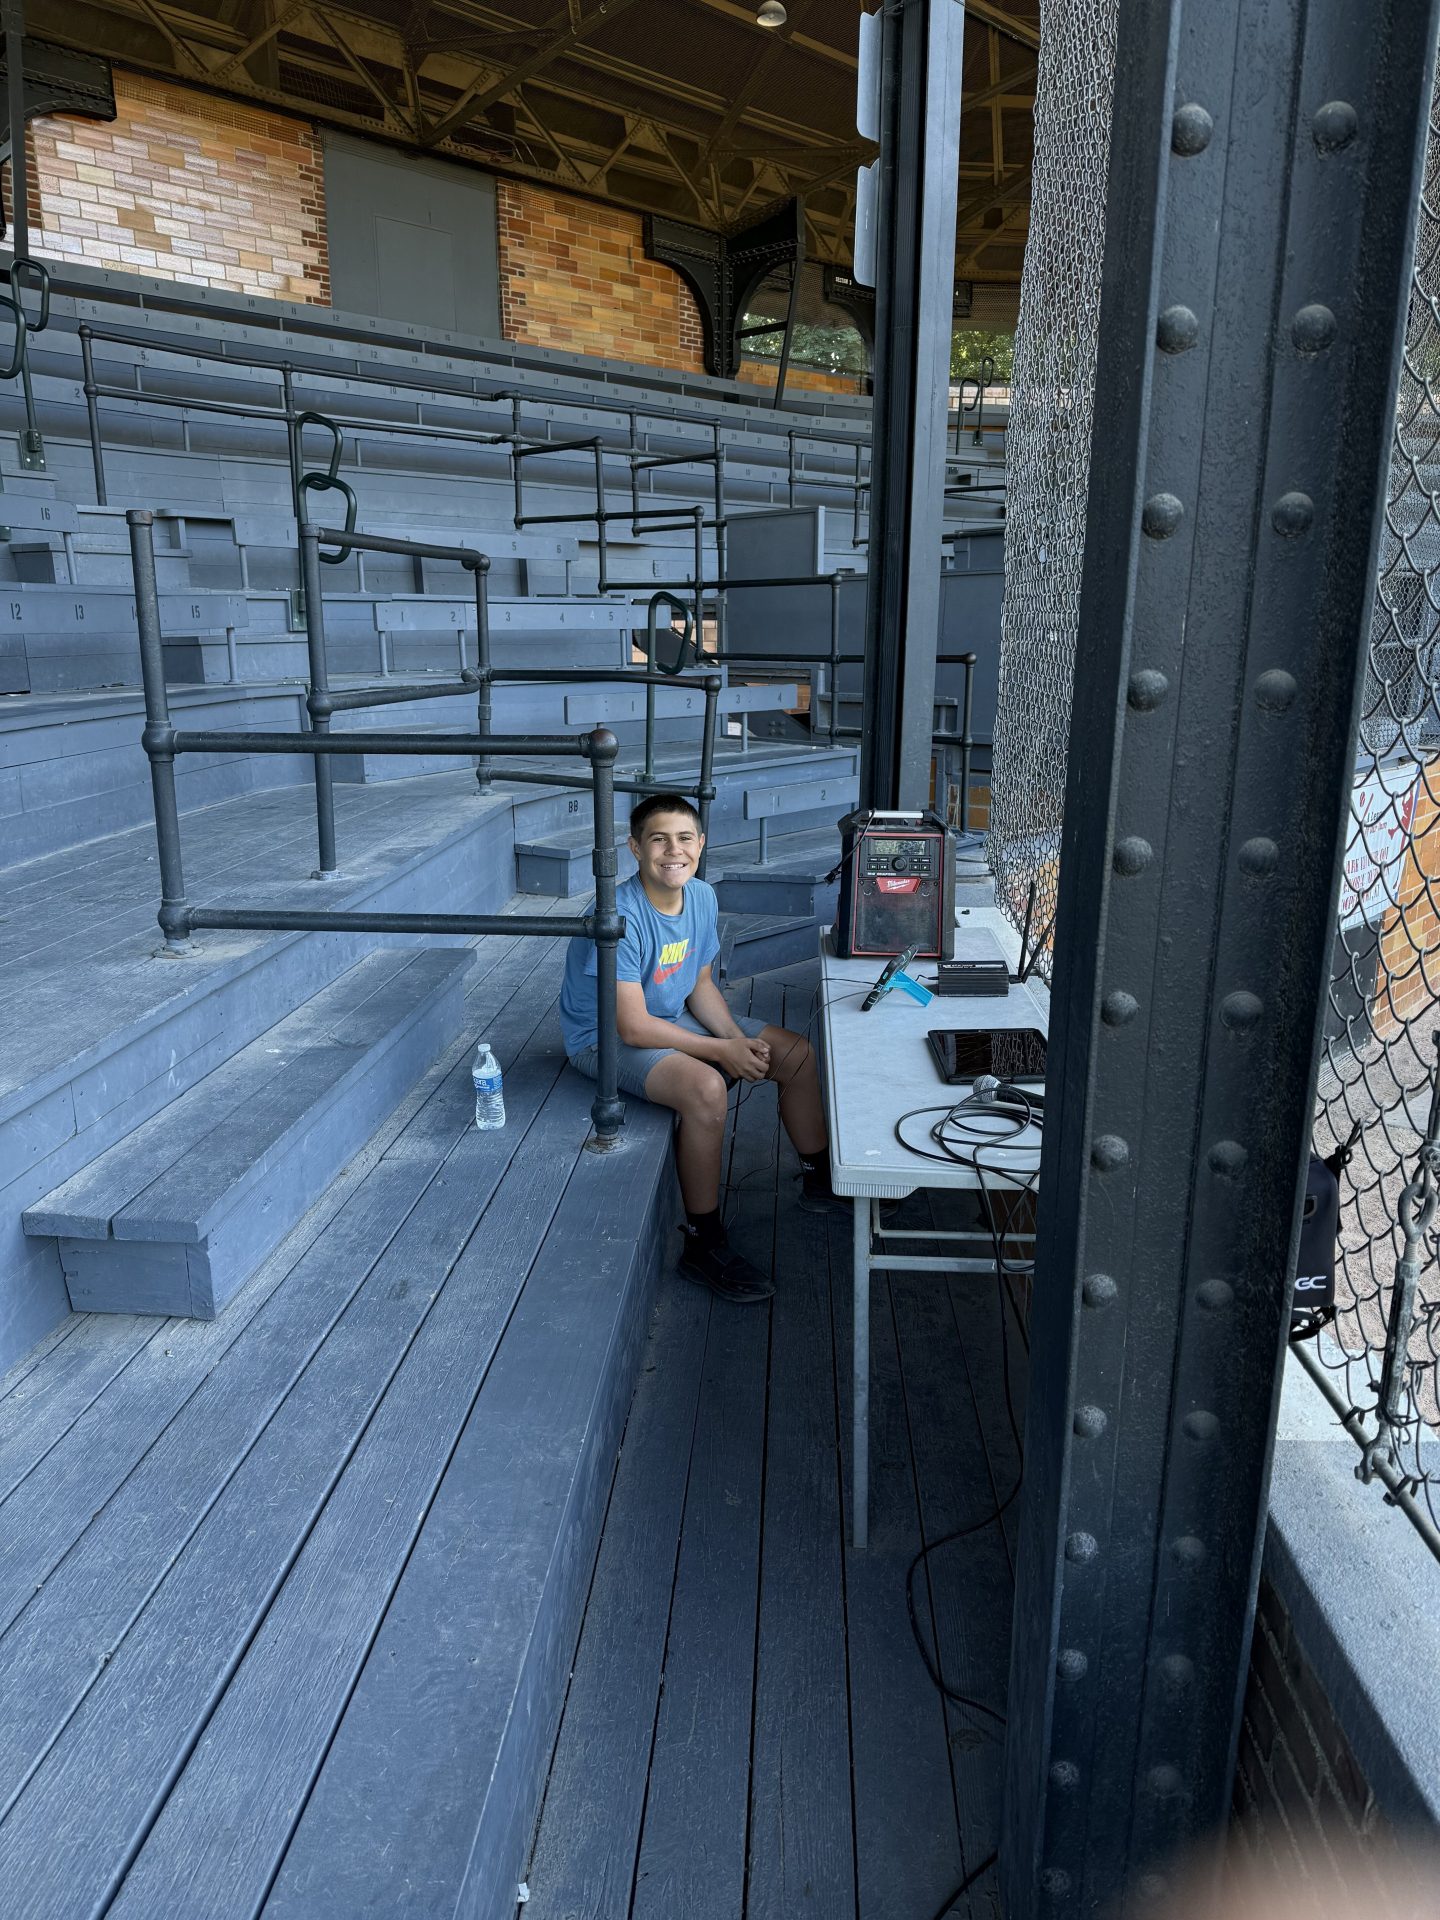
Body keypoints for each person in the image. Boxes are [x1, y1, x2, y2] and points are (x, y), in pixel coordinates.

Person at [561, 792, 839, 1304]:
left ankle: (822, 1180)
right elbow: (634, 1028)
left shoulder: (703, 897)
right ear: (635, 848)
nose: (674, 850)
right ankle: (702, 1242)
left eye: (684, 838)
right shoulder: (619, 914)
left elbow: (700, 983)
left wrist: (736, 1040)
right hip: (603, 1039)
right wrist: (720, 1054)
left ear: (701, 843)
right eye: (658, 839)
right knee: (708, 1090)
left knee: (795, 1054)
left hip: (671, 1014)